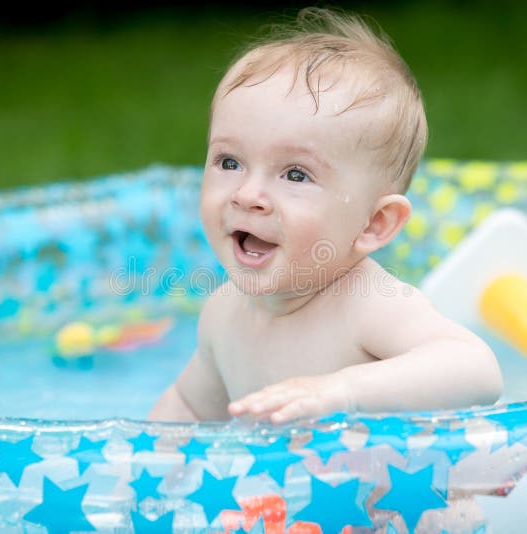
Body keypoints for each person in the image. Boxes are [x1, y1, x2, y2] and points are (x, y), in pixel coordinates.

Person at [149, 7, 502, 424]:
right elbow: (188, 409)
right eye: (229, 162)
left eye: (295, 174)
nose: (248, 195)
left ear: (375, 224)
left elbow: (478, 372)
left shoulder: (369, 305)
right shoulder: (223, 314)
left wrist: (343, 390)